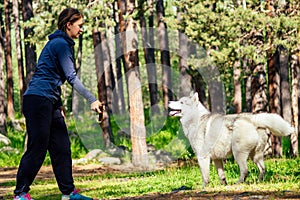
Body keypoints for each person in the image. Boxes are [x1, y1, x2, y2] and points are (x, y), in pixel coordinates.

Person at [13, 8, 101, 200]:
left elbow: (52, 76)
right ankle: (20, 194)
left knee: (61, 146)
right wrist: (91, 98)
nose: (81, 30)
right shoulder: (60, 44)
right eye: (79, 26)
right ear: (68, 25)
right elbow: (71, 77)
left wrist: (58, 105)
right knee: (38, 147)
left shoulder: (60, 44)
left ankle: (68, 193)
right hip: (38, 100)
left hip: (49, 102)